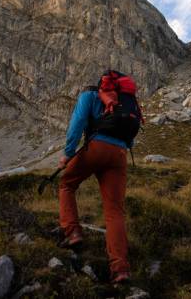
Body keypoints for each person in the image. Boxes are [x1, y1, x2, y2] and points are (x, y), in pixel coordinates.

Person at [58, 72, 141, 284]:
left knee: (66, 184)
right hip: (119, 153)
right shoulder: (126, 102)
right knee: (114, 212)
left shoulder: (89, 95)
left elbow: (77, 123)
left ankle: (72, 233)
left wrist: (68, 153)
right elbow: (131, 134)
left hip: (96, 147)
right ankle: (120, 269)